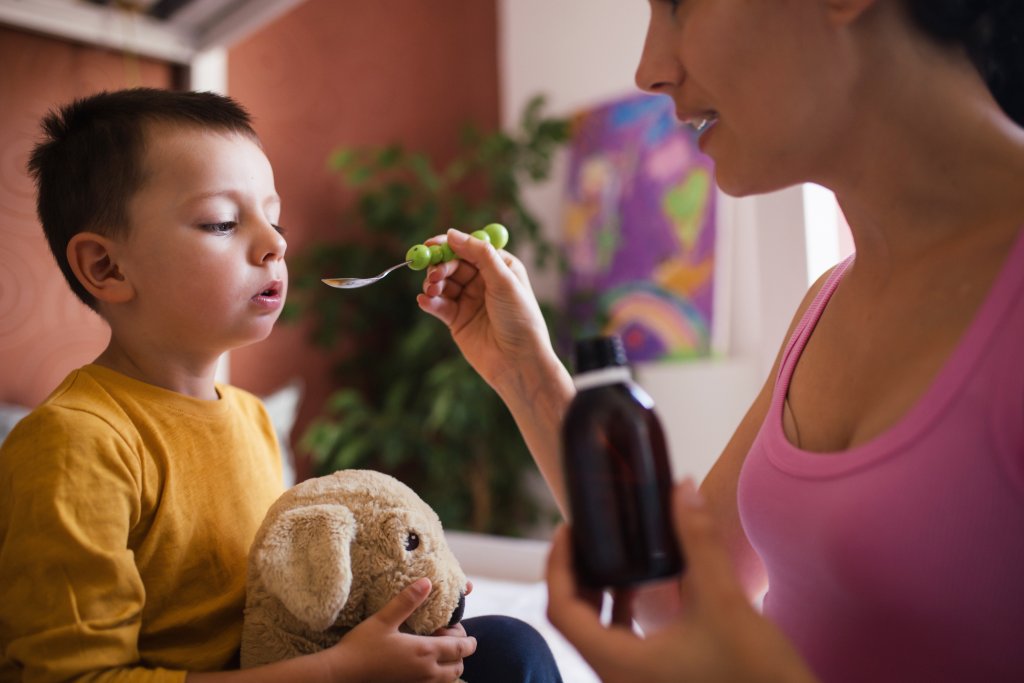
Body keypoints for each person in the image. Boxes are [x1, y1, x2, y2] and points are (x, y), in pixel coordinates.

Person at [416, 0, 1024, 681]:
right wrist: (523, 368)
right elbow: (680, 598)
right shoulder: (827, 302)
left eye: (680, 4)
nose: (648, 69)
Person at [0, 88, 562, 683]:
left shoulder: (251, 418)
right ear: (106, 267)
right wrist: (338, 672)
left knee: (507, 648)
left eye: (275, 219)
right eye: (222, 222)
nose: (277, 244)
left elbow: (283, 601)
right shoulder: (76, 444)